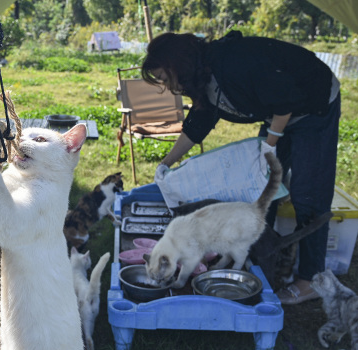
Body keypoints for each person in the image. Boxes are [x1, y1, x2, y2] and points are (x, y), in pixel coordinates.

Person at [141, 31, 340, 305]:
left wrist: (270, 146)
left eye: (164, 78)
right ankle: (257, 256)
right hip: (277, 112)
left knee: (308, 193)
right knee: (262, 188)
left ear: (177, 65)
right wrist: (166, 162)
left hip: (312, 104)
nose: (167, 87)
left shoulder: (234, 64)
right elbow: (198, 123)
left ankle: (311, 279)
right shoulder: (201, 79)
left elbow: (285, 101)